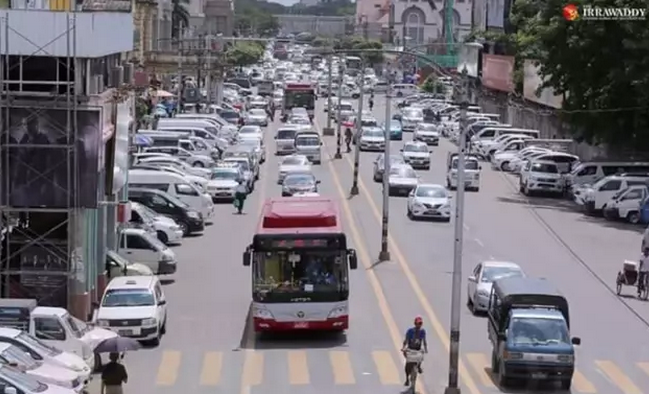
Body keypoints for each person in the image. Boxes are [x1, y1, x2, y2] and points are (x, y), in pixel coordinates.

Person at [402, 316, 427, 386]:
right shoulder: (410, 331)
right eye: (418, 323)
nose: (419, 325)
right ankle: (407, 379)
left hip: (418, 350)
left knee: (421, 357)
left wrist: (425, 348)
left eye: (420, 323)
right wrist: (403, 347)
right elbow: (406, 340)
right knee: (407, 366)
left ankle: (418, 366)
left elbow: (424, 340)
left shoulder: (422, 332)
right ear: (415, 324)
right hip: (411, 349)